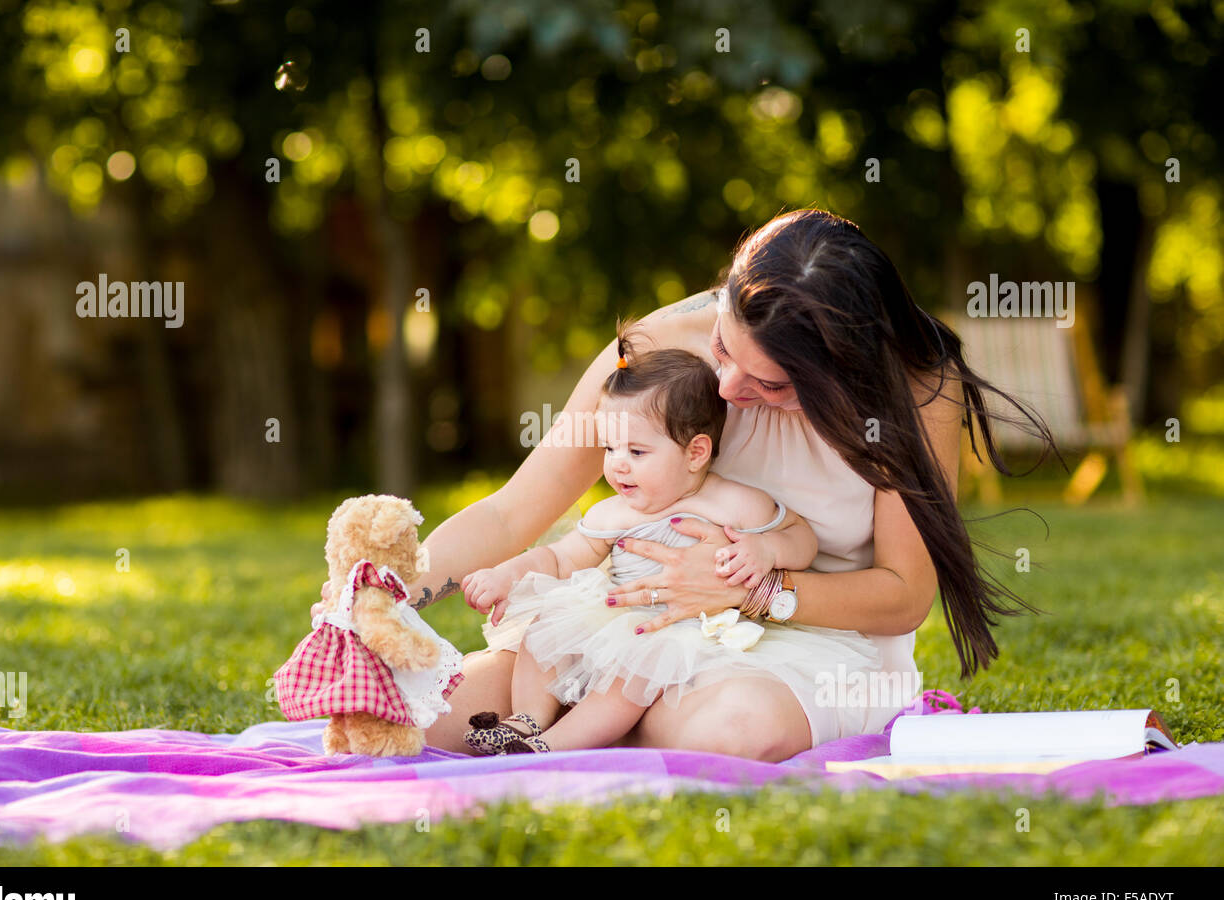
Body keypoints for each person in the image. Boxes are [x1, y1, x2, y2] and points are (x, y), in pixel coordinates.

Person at [313, 209, 1058, 761]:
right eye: (724, 347)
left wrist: (754, 591)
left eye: (772, 384)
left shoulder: (917, 391)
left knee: (733, 732)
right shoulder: (656, 356)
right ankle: (574, 727)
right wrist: (392, 591)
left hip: (812, 652)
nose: (729, 388)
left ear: (845, 373)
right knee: (415, 717)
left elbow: (901, 597)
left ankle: (573, 735)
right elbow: (514, 512)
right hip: (621, 632)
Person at [456, 337, 881, 755]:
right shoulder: (614, 514)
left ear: (696, 453)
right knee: (542, 629)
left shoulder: (732, 503)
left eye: (637, 450)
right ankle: (527, 718)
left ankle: (552, 746)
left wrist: (767, 551)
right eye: (610, 446)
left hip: (680, 632)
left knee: (631, 676)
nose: (617, 463)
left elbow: (800, 535)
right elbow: (560, 556)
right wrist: (506, 574)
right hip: (616, 618)